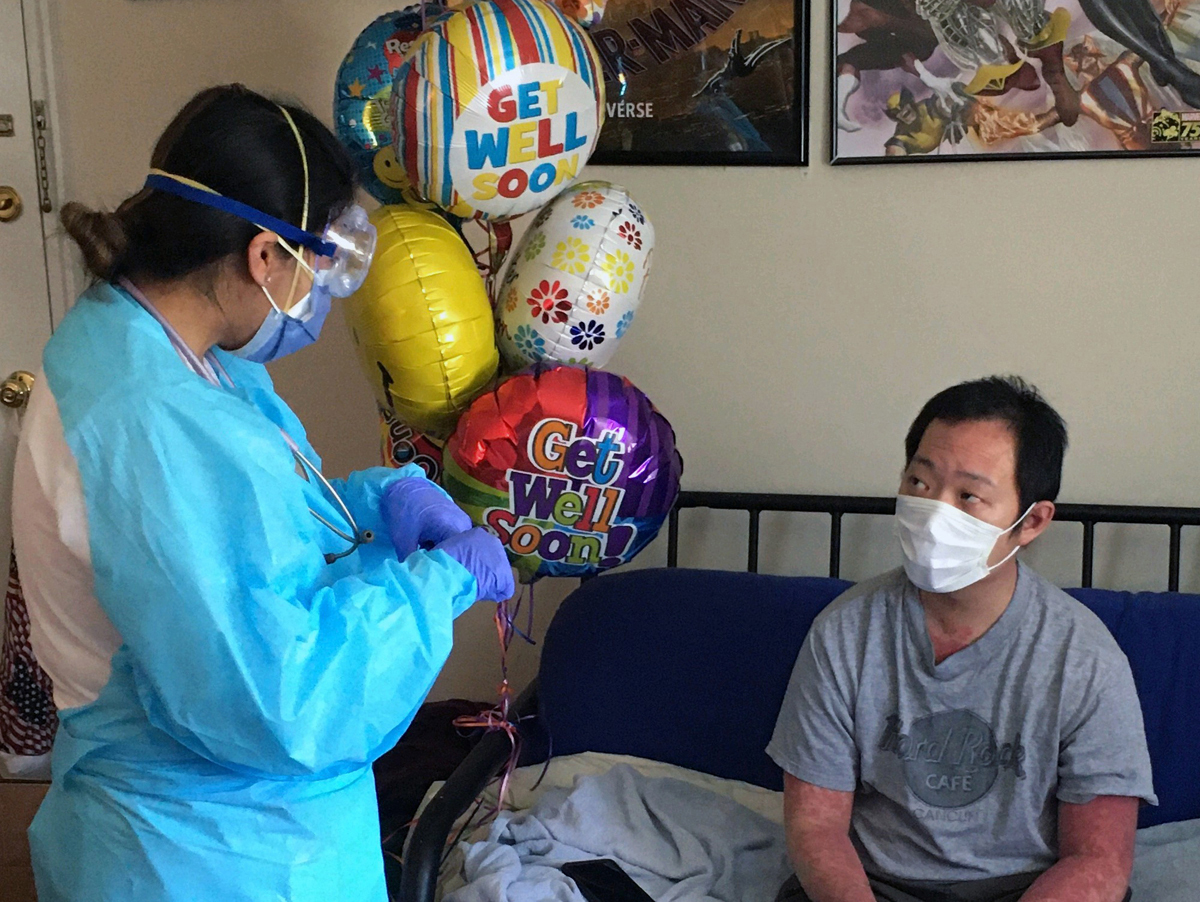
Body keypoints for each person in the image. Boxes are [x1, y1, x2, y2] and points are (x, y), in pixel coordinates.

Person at [10, 84, 514, 902]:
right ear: (264, 255)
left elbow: (249, 529)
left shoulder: (162, 350)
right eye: (323, 263)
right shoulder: (152, 418)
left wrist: (371, 503)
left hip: (216, 830)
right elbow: (287, 701)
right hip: (206, 852)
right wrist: (435, 587)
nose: (320, 290)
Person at [768, 376, 1155, 902]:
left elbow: (1099, 858)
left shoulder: (1085, 658)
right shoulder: (843, 634)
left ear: (1032, 521)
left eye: (969, 496)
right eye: (920, 484)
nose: (934, 513)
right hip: (875, 886)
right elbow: (816, 829)